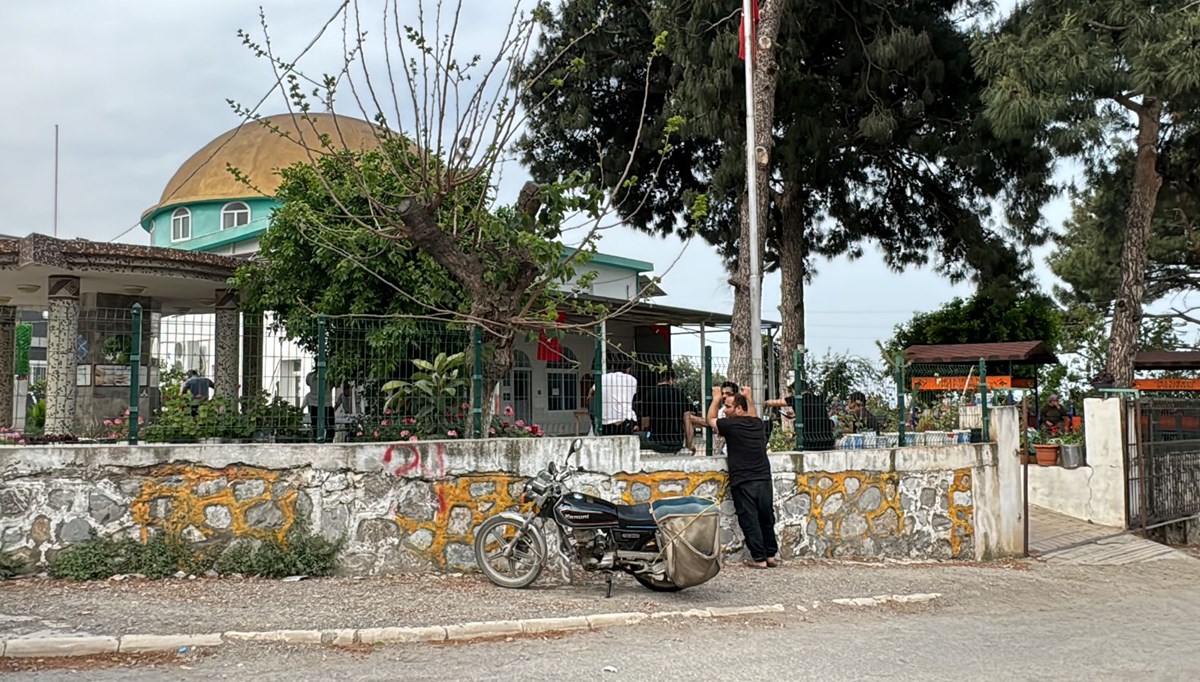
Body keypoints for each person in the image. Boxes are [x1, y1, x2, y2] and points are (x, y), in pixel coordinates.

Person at [708, 384, 778, 569]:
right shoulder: (756, 424)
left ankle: (759, 559)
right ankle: (770, 555)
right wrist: (748, 397)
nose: (725, 409)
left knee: (749, 519)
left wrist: (715, 399)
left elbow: (711, 420)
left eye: (728, 406)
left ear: (739, 409)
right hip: (763, 477)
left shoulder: (730, 425)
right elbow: (753, 414)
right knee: (766, 516)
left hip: (743, 479)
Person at [636, 369, 696, 454]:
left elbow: (645, 425)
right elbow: (687, 422)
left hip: (656, 442)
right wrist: (689, 444)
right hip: (676, 443)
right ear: (671, 379)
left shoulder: (649, 395)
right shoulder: (680, 395)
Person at [589, 358, 638, 435]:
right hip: (625, 422)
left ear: (612, 367)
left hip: (605, 423)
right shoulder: (632, 380)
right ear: (629, 369)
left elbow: (590, 393)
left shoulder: (603, 378)